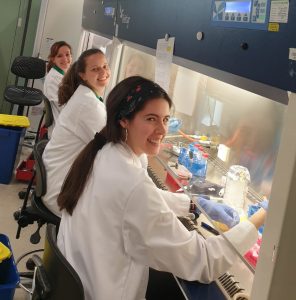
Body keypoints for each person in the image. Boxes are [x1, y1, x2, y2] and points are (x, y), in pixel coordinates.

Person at [56, 76, 266, 300]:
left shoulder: (104, 152)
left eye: (165, 119)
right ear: (124, 120)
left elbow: (135, 200)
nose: (162, 130)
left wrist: (193, 204)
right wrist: (258, 219)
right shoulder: (130, 181)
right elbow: (204, 261)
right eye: (151, 119)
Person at [43, 48, 111, 217]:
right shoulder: (88, 105)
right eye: (95, 69)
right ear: (82, 75)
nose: (103, 72)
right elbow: (111, 153)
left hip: (59, 179)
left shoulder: (87, 97)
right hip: (61, 191)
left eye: (105, 66)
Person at [43, 41, 72, 135]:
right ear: (53, 59)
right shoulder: (53, 80)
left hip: (69, 125)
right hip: (61, 131)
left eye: (68, 54)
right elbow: (64, 108)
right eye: (60, 56)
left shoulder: (66, 75)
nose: (65, 59)